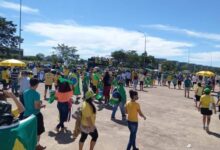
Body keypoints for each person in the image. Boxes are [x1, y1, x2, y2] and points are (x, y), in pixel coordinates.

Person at [23, 78, 46, 150]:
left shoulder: (25, 92)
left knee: (29, 132)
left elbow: (29, 102)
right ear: (37, 85)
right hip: (35, 115)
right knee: (38, 132)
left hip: (26, 115)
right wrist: (42, 105)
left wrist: (39, 102)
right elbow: (36, 107)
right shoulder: (36, 94)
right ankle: (37, 146)